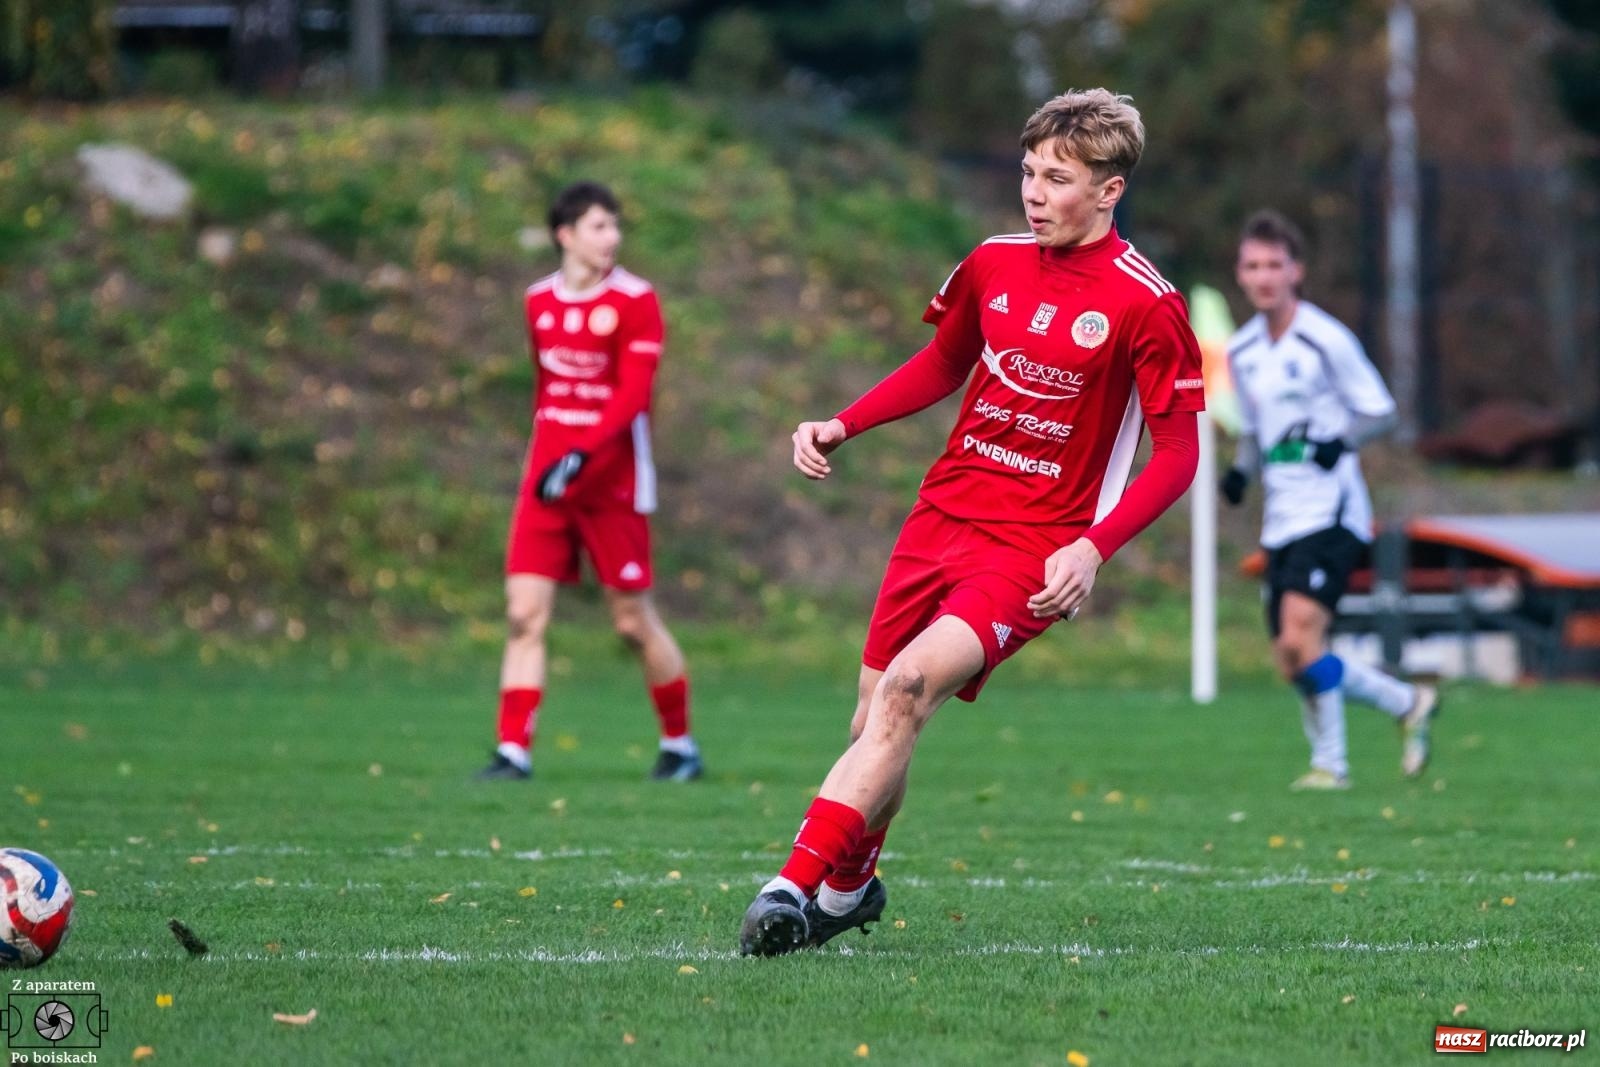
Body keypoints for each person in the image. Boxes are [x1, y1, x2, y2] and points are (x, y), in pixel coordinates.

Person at [738, 89, 1206, 957]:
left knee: (907, 691)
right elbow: (944, 362)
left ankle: (789, 887)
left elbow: (1179, 454)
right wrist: (844, 421)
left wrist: (1093, 547)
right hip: (940, 516)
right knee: (872, 723)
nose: (1034, 192)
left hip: (1032, 547)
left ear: (1110, 191)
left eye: (1058, 178)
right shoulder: (993, 261)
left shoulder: (1148, 303)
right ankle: (849, 888)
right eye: (1028, 171)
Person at [476, 181, 703, 783]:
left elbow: (632, 395)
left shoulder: (636, 300)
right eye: (600, 226)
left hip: (613, 481)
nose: (613, 237)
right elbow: (547, 389)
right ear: (565, 235)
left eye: (615, 226)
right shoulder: (537, 301)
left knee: (631, 621)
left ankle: (680, 744)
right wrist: (551, 455)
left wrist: (580, 453)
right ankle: (512, 752)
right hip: (548, 479)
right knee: (524, 614)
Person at [1220, 209, 1438, 791]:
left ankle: (1331, 767)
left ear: (1297, 271)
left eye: (1274, 264)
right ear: (1240, 275)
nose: (1264, 276)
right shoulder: (1241, 352)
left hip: (1334, 512)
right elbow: (1253, 429)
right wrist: (1241, 473)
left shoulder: (1324, 338)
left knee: (1300, 635)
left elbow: (1382, 411)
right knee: (1291, 660)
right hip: (1283, 518)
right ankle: (1405, 701)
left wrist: (1336, 443)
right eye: (1252, 266)